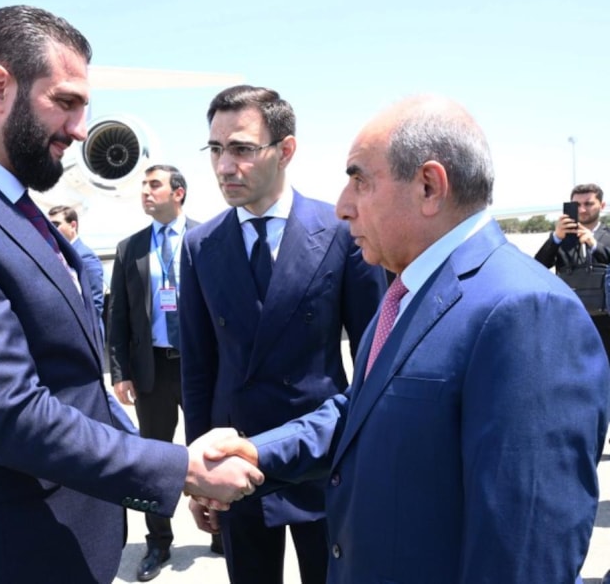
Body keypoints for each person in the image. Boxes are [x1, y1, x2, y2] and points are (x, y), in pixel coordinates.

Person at [0, 5, 263, 584]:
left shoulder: (7, 205)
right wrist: (181, 468)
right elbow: (15, 414)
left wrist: (163, 464)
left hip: (54, 541)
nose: (79, 130)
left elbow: (74, 384)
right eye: (66, 102)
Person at [201, 95, 610, 583]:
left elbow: (522, 557)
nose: (342, 206)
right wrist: (258, 451)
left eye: (359, 181)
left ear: (429, 187)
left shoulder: (527, 312)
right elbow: (359, 410)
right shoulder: (410, 290)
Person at [179, 85, 387, 583]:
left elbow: (375, 356)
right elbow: (198, 368)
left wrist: (372, 459)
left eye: (241, 149)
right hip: (235, 457)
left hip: (321, 452)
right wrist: (199, 472)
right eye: (215, 149)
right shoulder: (200, 245)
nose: (224, 166)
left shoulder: (340, 231)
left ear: (285, 150)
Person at [107, 164, 222, 581]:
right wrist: (119, 371)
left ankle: (221, 529)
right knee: (154, 459)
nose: (145, 191)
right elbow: (118, 315)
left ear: (179, 193)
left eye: (154, 184)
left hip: (201, 366)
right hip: (151, 369)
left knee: (211, 451)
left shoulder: (209, 237)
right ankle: (158, 542)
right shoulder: (130, 248)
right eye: (143, 185)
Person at [534, 183, 610, 354]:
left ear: (602, 205)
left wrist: (594, 245)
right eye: (577, 205)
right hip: (569, 321)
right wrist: (555, 239)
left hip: (605, 322)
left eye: (588, 204)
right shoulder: (560, 237)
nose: (582, 210)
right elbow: (537, 266)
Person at [48, 204, 106, 324]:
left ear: (73, 225)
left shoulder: (86, 256)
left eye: (55, 225)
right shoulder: (58, 254)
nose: (51, 230)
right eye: (48, 226)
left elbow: (95, 303)